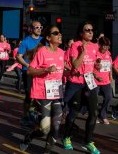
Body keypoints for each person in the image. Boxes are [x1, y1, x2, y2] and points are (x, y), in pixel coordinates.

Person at [20, 25, 65, 153]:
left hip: (56, 93)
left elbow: (64, 71)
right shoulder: (42, 51)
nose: (59, 35)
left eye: (60, 33)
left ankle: (46, 151)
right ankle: (30, 136)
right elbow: (30, 70)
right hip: (42, 94)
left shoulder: (62, 53)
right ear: (48, 38)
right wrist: (46, 70)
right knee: (45, 129)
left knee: (56, 128)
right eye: (56, 33)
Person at [62, 21, 102, 153]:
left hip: (89, 82)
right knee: (74, 111)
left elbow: (94, 65)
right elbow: (75, 65)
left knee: (93, 112)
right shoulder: (76, 45)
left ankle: (88, 141)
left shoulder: (95, 46)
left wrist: (97, 67)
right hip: (76, 82)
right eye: (87, 30)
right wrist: (83, 52)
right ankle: (66, 137)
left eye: (92, 30)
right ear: (81, 33)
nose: (90, 32)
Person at [17, 21, 43, 126]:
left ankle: (37, 114)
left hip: (40, 72)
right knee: (29, 95)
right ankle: (26, 116)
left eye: (40, 27)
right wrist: (27, 65)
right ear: (31, 29)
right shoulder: (26, 41)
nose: (39, 29)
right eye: (36, 27)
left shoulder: (43, 40)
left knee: (40, 94)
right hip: (28, 72)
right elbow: (18, 57)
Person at [95, 37, 113, 125]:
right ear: (100, 45)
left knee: (109, 97)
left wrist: (111, 77)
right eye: (104, 46)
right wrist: (96, 64)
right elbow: (90, 64)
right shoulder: (95, 53)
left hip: (106, 80)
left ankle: (103, 115)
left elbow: (110, 67)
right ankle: (94, 115)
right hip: (96, 80)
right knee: (94, 99)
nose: (105, 48)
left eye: (107, 46)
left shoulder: (108, 54)